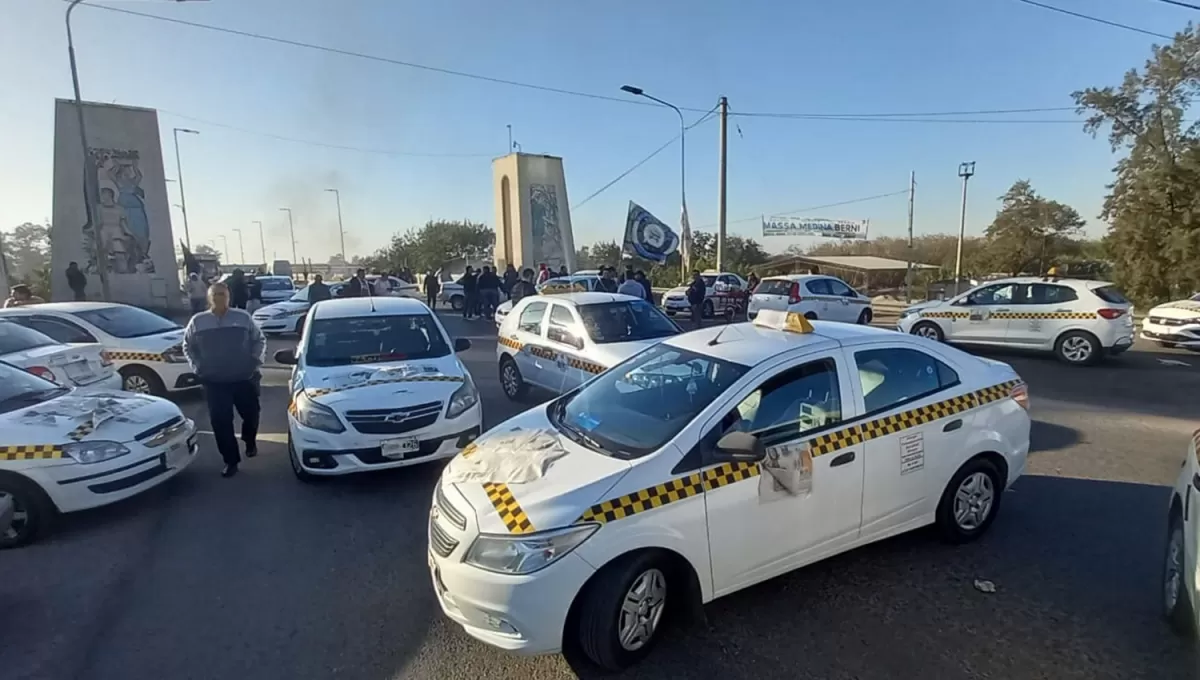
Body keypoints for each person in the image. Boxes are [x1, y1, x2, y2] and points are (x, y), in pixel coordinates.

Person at [182, 281, 264, 478]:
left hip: (243, 378)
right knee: (220, 421)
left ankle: (249, 439)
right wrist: (198, 367)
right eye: (216, 294)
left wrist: (254, 362)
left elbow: (259, 340)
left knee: (251, 414)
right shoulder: (198, 321)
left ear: (229, 297)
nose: (220, 297)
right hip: (215, 381)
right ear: (210, 298)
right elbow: (188, 346)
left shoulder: (243, 318)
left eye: (223, 294)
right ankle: (231, 460)